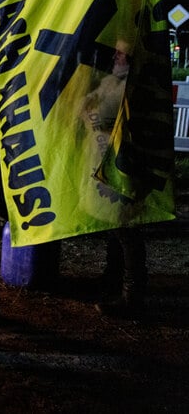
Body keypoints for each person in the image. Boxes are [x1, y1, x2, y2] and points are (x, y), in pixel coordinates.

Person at [79, 44, 147, 318]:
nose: (116, 57)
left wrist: (90, 108)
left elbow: (100, 112)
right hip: (106, 162)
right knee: (113, 223)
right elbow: (87, 106)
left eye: (122, 54)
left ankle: (132, 295)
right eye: (117, 53)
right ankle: (113, 278)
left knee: (125, 227)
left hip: (122, 166)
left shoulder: (130, 87)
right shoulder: (113, 81)